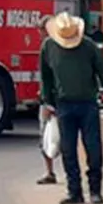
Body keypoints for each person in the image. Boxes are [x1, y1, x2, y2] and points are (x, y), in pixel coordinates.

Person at [39, 11, 103, 204]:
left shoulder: (89, 47)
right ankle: (74, 191)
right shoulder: (48, 47)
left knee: (93, 148)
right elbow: (46, 76)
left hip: (87, 104)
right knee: (68, 150)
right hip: (63, 104)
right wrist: (47, 102)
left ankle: (95, 190)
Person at [36, 15, 57, 185]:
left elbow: (46, 77)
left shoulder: (49, 48)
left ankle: (50, 172)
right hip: (54, 99)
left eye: (41, 30)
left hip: (53, 100)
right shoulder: (51, 47)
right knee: (49, 139)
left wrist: (47, 102)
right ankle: (50, 172)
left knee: (47, 137)